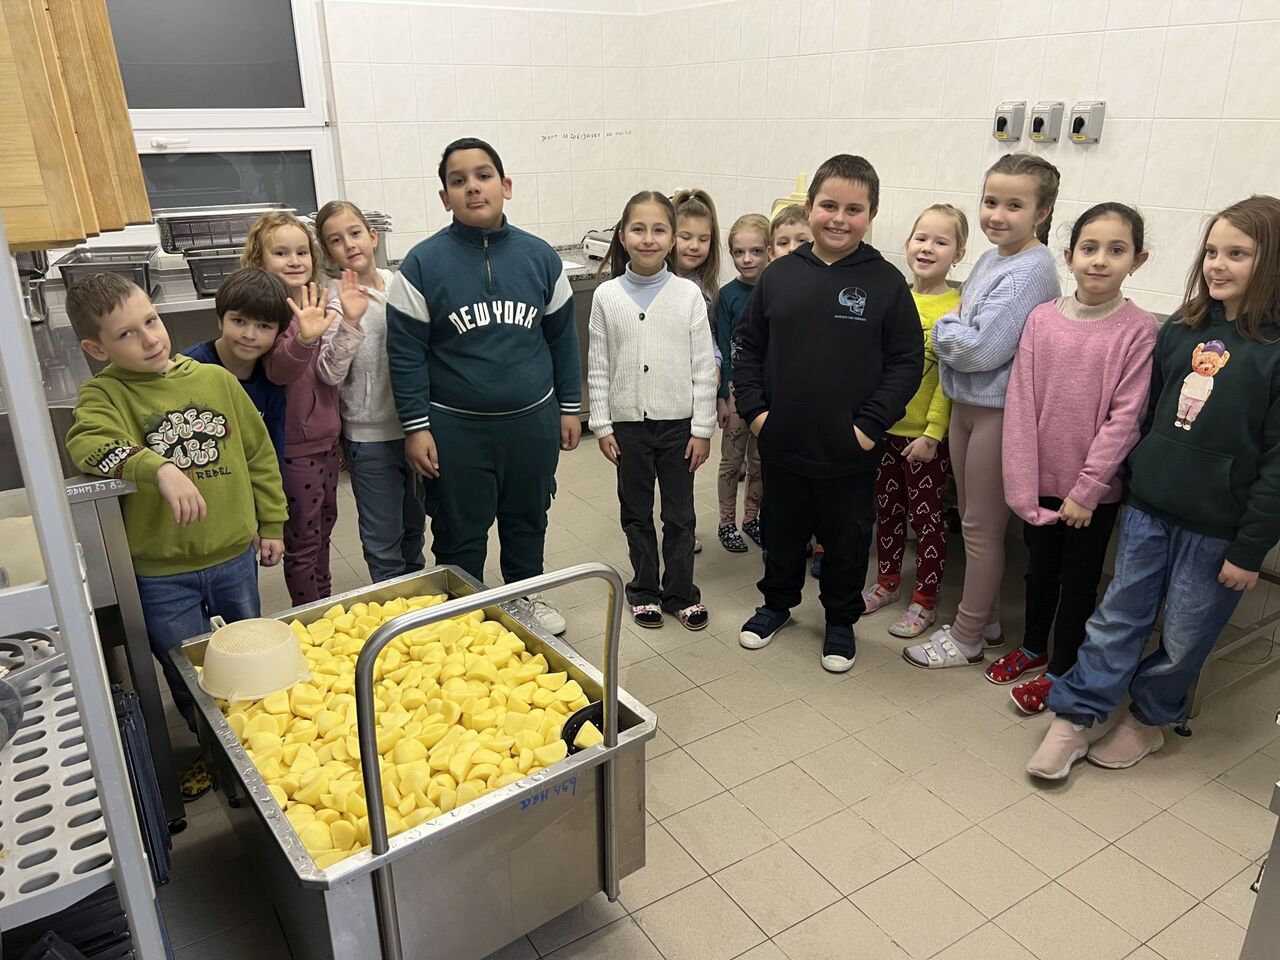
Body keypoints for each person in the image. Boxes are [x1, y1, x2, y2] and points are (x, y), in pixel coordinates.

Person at [1028, 195, 1280, 779]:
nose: (1217, 265)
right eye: (1212, 251)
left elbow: (1276, 465)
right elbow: (1147, 415)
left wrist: (1249, 549)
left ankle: (1147, 719)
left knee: (1187, 633)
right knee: (1119, 617)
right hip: (1149, 508)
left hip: (1218, 529)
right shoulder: (1182, 330)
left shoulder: (1273, 353)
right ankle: (1075, 714)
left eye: (1237, 254)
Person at [64, 273, 286, 800]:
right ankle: (215, 753)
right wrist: (157, 467)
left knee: (248, 656)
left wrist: (272, 523)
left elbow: (259, 456)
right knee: (190, 673)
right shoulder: (104, 395)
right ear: (96, 349)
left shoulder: (216, 382)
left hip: (233, 557)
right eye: (127, 334)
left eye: (151, 321)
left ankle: (264, 748)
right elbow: (87, 444)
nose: (149, 339)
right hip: (161, 573)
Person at [734, 154, 924, 673]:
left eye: (854, 209)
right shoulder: (779, 276)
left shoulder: (885, 283)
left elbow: (906, 362)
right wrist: (756, 413)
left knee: (846, 540)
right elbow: (747, 348)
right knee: (781, 532)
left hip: (850, 451)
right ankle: (776, 605)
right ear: (810, 206)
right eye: (829, 206)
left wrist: (869, 426)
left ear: (872, 215)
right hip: (783, 442)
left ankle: (841, 620)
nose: (839, 218)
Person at [386, 137, 581, 635]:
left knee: (527, 518)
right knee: (459, 527)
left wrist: (569, 407)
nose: (472, 187)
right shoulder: (421, 265)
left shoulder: (541, 258)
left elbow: (562, 339)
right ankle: (462, 611)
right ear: (444, 197)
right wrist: (415, 427)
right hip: (456, 429)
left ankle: (524, 595)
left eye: (483, 175)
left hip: (532, 423)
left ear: (505, 185)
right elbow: (405, 355)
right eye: (459, 180)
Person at [993, 203, 1157, 714]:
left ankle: (1062, 669)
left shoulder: (1139, 329)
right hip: (1040, 482)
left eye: (1116, 249)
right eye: (1089, 248)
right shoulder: (1042, 320)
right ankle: (1032, 647)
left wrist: (1086, 491)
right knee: (1039, 571)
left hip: (1093, 495)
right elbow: (1021, 403)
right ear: (1069, 255)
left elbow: (1125, 419)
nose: (1100, 260)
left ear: (1137, 260)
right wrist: (1022, 485)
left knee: (1079, 582)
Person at [903, 152, 1062, 669]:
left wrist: (948, 326)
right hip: (968, 405)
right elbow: (967, 331)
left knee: (981, 527)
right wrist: (958, 326)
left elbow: (977, 349)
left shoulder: (1032, 269)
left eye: (1014, 205)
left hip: (998, 411)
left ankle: (968, 636)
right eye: (991, 201)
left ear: (1041, 212)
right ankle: (986, 620)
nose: (997, 214)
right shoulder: (995, 258)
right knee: (972, 519)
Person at [588, 191, 717, 629]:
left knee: (680, 515)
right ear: (623, 236)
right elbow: (599, 365)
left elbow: (704, 367)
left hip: (679, 426)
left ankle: (681, 592)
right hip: (628, 427)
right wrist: (601, 424)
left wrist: (703, 429)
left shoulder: (688, 295)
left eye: (659, 229)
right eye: (638, 229)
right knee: (636, 512)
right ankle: (644, 589)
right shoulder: (606, 296)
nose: (648, 238)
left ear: (673, 238)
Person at [246, 211, 367, 606]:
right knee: (301, 541)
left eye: (301, 252)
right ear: (260, 260)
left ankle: (324, 604)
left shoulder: (315, 304)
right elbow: (280, 371)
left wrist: (348, 323)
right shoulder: (266, 316)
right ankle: (311, 615)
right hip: (293, 451)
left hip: (326, 442)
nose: (294, 260)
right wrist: (304, 339)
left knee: (322, 531)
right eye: (281, 253)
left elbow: (330, 375)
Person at [861, 204, 967, 639]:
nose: (928, 248)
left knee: (926, 522)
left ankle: (924, 600)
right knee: (887, 512)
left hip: (924, 438)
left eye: (941, 242)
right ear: (907, 244)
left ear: (958, 254)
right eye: (921, 238)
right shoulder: (892, 297)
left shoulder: (957, 308)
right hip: (883, 429)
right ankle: (887, 583)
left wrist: (933, 433)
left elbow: (948, 379)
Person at [315, 200, 427, 583]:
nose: (349, 244)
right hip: (370, 439)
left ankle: (419, 604)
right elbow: (329, 373)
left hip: (415, 430)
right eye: (336, 240)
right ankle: (391, 607)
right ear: (327, 252)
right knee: (383, 539)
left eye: (355, 233)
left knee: (414, 529)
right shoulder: (332, 304)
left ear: (373, 236)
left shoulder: (401, 286)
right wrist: (350, 320)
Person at [183, 267, 290, 462]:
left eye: (264, 326)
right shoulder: (189, 369)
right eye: (239, 321)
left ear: (278, 333)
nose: (249, 335)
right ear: (220, 320)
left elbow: (272, 452)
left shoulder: (273, 376)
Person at [673, 188, 724, 555]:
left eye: (703, 239)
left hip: (692, 394)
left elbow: (711, 337)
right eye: (685, 236)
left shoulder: (707, 289)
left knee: (684, 469)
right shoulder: (659, 283)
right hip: (660, 391)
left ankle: (682, 530)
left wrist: (716, 364)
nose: (694, 246)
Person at [715, 213, 768, 553]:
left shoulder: (777, 290)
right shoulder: (728, 295)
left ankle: (752, 518)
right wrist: (722, 395)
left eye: (756, 251)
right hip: (736, 389)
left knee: (760, 460)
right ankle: (726, 522)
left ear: (769, 251)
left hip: (768, 391)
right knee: (732, 460)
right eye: (738, 252)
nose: (747, 259)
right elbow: (721, 346)